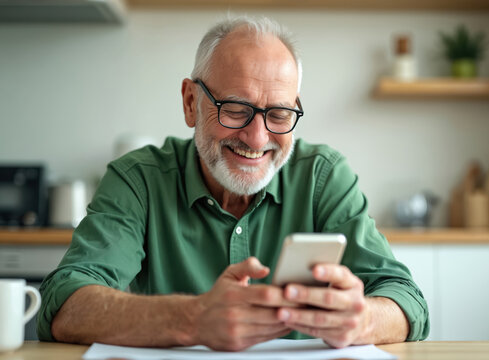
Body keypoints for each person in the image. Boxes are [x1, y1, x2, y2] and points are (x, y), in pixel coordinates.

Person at [37, 16, 429, 351]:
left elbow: (405, 299)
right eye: (236, 109)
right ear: (192, 102)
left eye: (278, 114)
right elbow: (65, 305)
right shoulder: (137, 180)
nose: (257, 139)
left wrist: (360, 320)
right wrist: (192, 319)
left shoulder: (322, 175)